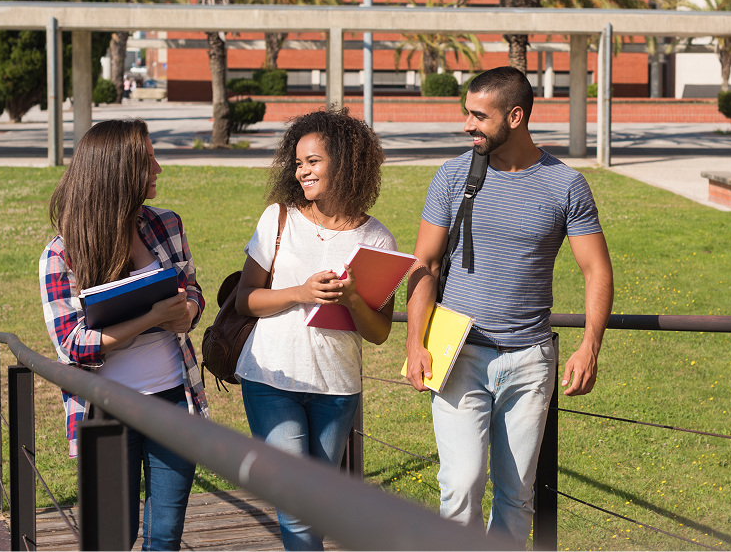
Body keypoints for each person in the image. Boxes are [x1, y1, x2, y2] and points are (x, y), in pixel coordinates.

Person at [404, 66, 614, 543]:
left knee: (516, 496)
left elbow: (596, 271)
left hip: (529, 362)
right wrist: (415, 342)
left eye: (479, 115)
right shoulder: (453, 176)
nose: (467, 125)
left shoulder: (566, 185)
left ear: (515, 116)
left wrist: (590, 347)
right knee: (459, 488)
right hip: (458, 355)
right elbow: (425, 265)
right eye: (466, 113)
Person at [40, 119, 208, 551]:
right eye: (147, 159)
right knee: (114, 537)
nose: (158, 167)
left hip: (173, 399)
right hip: (105, 412)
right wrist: (150, 318)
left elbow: (192, 291)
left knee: (165, 534)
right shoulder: (62, 253)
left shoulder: (166, 224)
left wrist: (187, 310)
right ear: (119, 171)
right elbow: (72, 345)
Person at [235, 108, 396, 551]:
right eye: (299, 162)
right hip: (271, 378)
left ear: (343, 163)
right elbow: (244, 298)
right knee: (297, 498)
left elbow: (379, 332)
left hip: (336, 388)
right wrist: (301, 292)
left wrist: (352, 300)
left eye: (314, 162)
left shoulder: (378, 240)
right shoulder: (279, 219)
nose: (302, 171)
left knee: (315, 505)